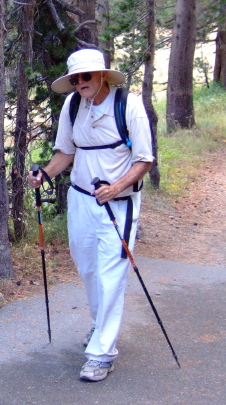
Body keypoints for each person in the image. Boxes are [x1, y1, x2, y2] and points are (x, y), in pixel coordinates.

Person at [27, 48, 153, 382]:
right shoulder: (72, 106)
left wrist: (116, 187)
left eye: (86, 76)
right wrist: (45, 175)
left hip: (118, 204)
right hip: (81, 200)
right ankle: (100, 327)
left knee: (111, 273)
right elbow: (65, 152)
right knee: (88, 267)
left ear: (102, 76)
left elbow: (144, 160)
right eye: (75, 78)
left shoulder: (129, 106)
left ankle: (102, 353)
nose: (80, 83)